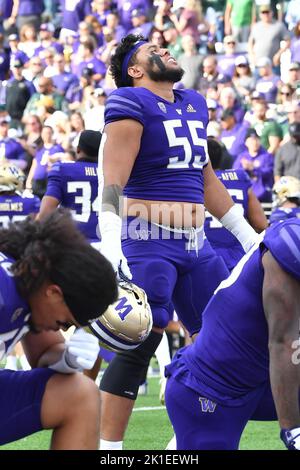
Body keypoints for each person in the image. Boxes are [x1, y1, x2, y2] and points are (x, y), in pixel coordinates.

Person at [97, 33, 260, 450]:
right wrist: (112, 243)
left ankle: (186, 441)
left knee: (223, 340)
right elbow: (112, 182)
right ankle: (108, 449)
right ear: (135, 70)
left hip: (197, 242)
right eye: (153, 50)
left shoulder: (194, 103)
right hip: (147, 239)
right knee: (142, 338)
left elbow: (206, 178)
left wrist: (248, 237)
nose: (165, 49)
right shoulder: (129, 103)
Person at [165, 218, 300, 450]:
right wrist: (294, 431)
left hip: (255, 381)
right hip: (211, 387)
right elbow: (283, 341)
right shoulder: (290, 244)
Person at [0, 209, 118, 449]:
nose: (63, 328)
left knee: (80, 394)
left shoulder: (30, 286)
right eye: (65, 323)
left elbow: (46, 351)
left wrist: (67, 358)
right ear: (54, 293)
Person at [205, 138, 268, 270]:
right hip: (239, 257)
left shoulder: (194, 181)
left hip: (206, 257)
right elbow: (261, 223)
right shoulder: (240, 177)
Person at [38, 130, 102, 245]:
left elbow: (45, 212)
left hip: (73, 244)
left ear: (78, 149)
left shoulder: (62, 169)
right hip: (106, 243)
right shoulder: (111, 172)